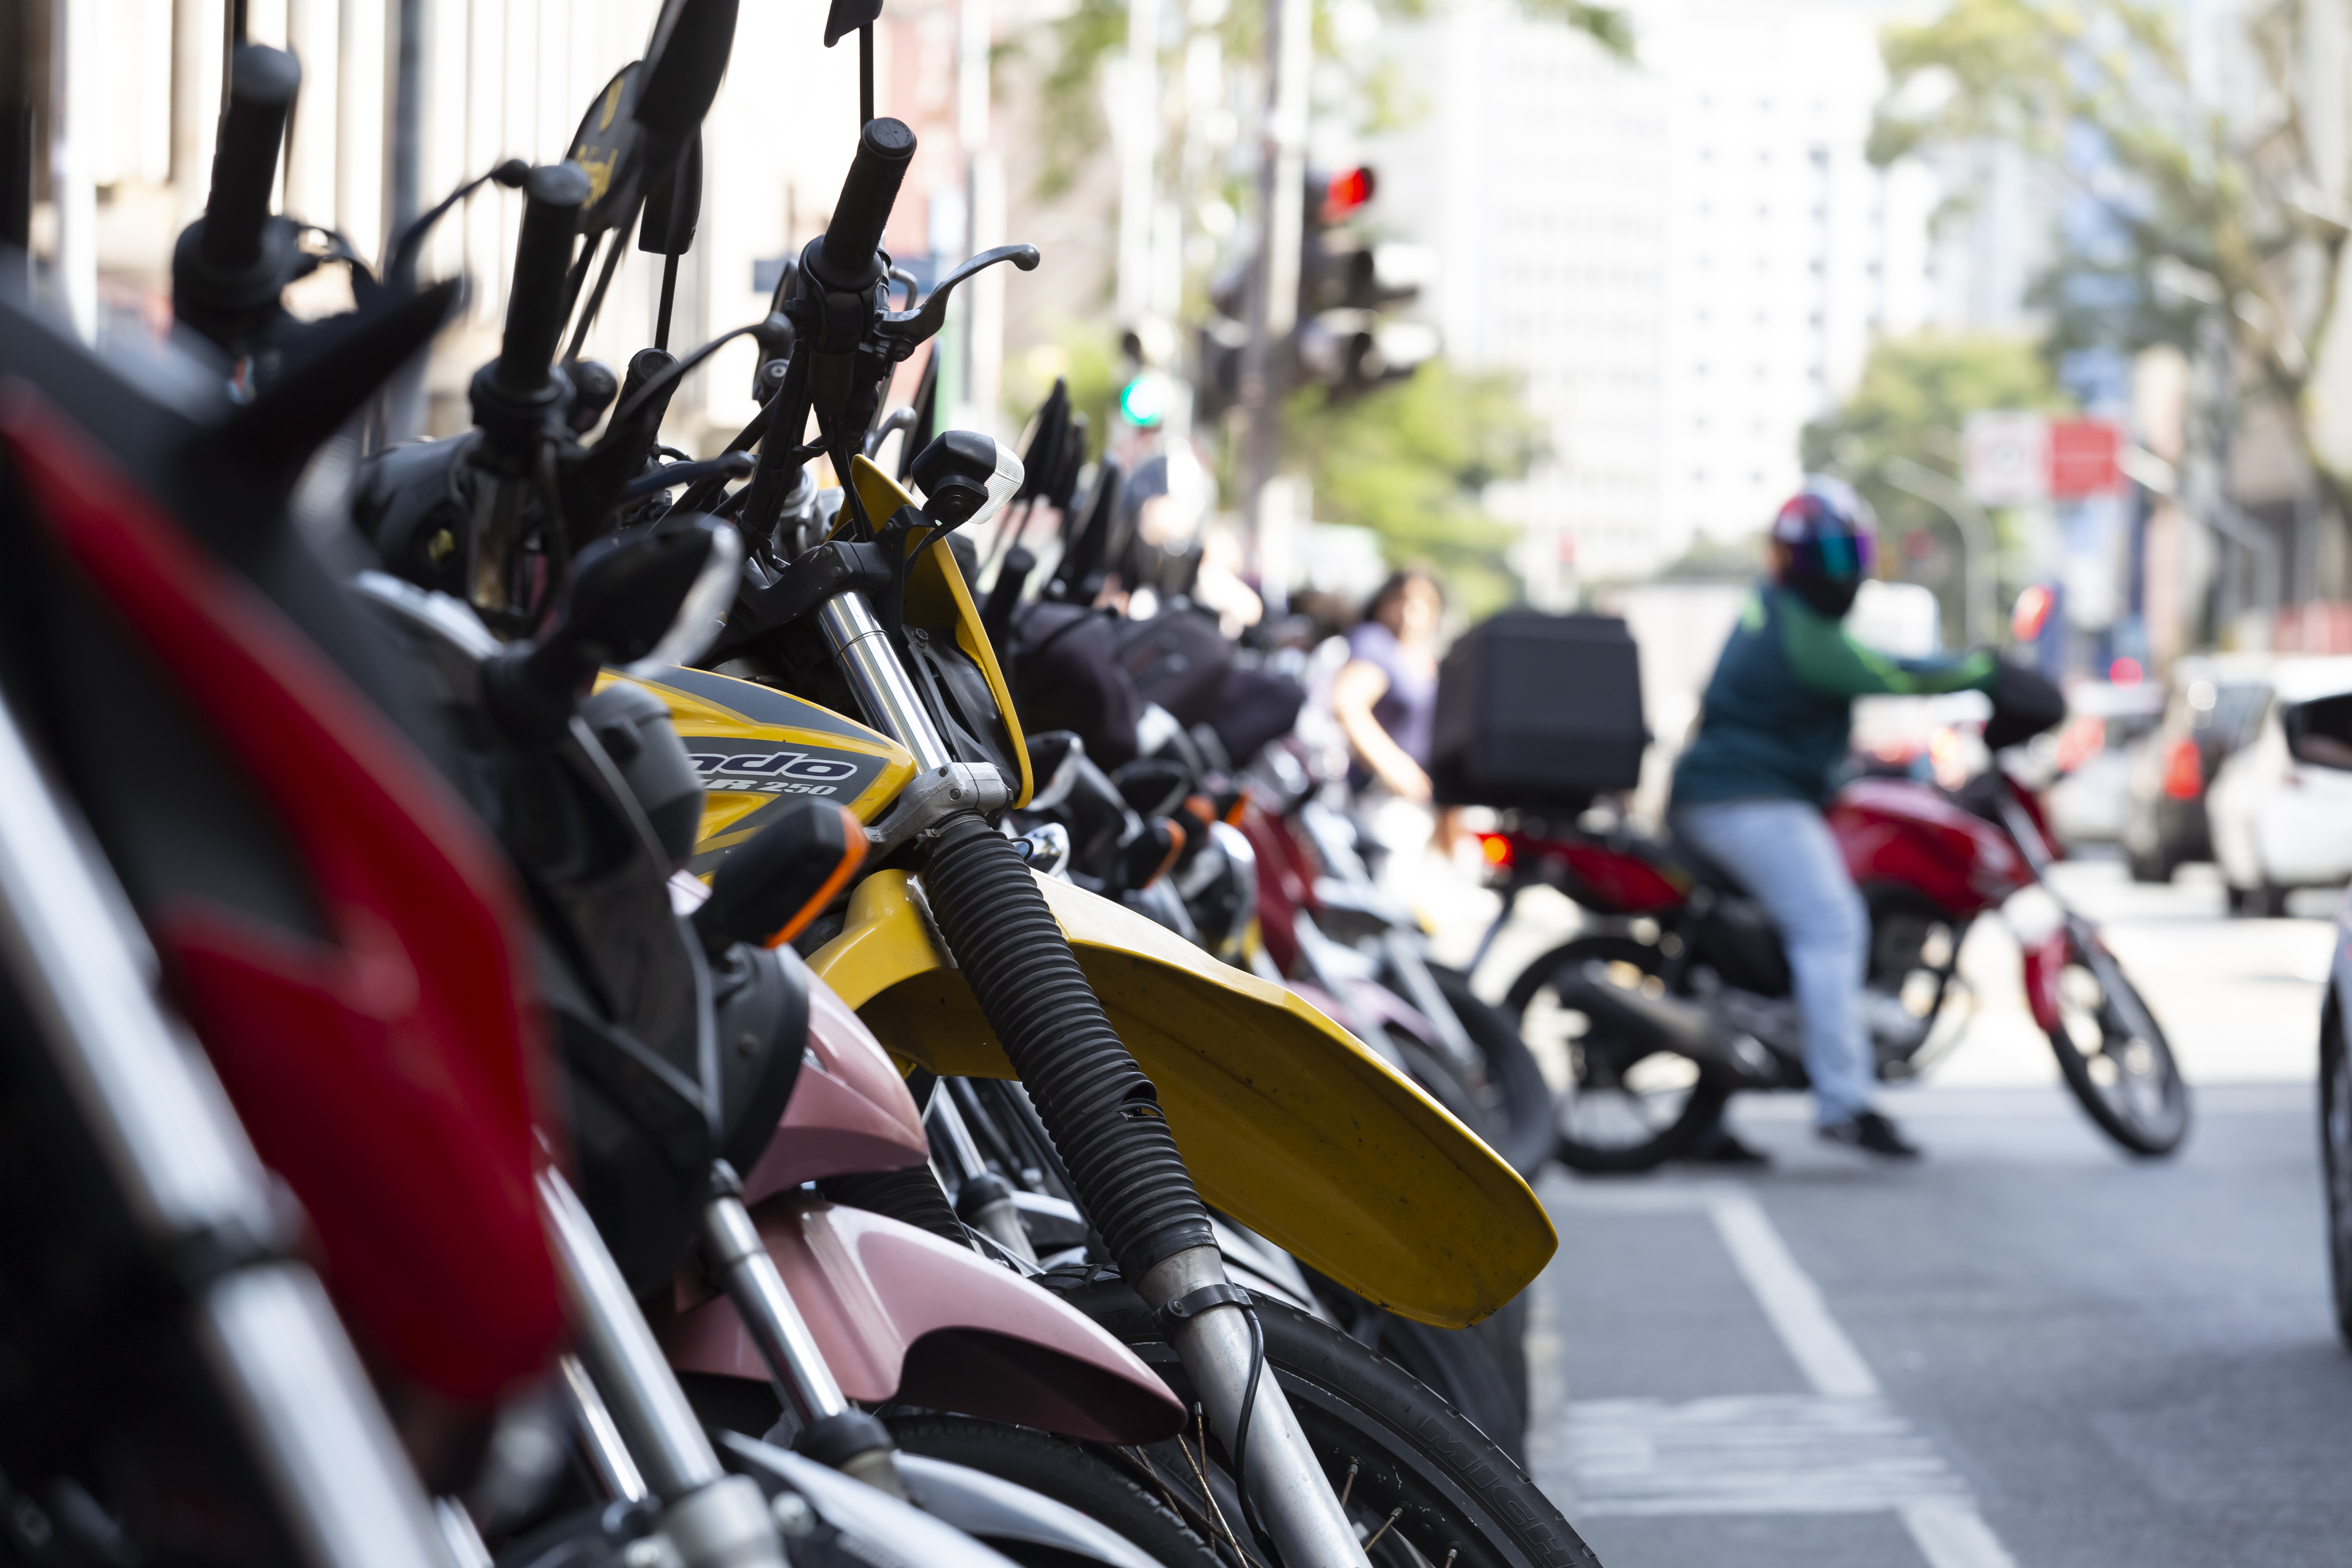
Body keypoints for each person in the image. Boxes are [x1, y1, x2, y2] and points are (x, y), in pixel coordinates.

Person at [1668, 478, 1998, 1160]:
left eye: (1851, 555)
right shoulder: (1807, 633)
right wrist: (1983, 670)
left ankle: (1720, 1106)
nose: (1842, 571)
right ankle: (1844, 1104)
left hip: (1737, 794)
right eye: (1831, 557)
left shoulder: (1778, 610)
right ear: (1795, 562)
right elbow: (1889, 674)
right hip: (1745, 801)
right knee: (1830, 924)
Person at [1331, 569, 1443, 802]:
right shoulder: (1376, 643)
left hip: (1418, 798)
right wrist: (1396, 768)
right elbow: (1348, 705)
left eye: (1423, 604)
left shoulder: (1423, 658)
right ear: (1383, 602)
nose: (1410, 612)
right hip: (1374, 795)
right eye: (1402, 599)